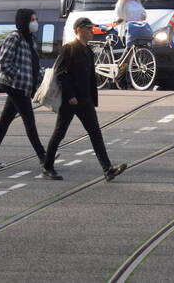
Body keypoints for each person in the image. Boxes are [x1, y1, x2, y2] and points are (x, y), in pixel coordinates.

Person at [41, 17, 127, 182]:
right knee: (60, 133)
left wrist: (91, 98)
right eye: (88, 29)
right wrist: (70, 95)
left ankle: (107, 169)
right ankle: (47, 167)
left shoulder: (88, 50)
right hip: (71, 101)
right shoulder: (69, 49)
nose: (91, 31)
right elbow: (60, 74)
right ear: (79, 30)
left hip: (85, 100)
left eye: (92, 28)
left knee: (95, 133)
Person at [0, 9, 46, 167]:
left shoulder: (29, 39)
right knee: (29, 121)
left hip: (23, 86)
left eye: (36, 19)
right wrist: (19, 75)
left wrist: (41, 79)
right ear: (24, 21)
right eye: (32, 19)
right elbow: (3, 61)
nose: (35, 22)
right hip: (15, 86)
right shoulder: (15, 37)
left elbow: (33, 64)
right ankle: (43, 156)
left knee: (5, 120)